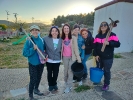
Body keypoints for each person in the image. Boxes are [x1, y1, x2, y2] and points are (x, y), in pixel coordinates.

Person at [93, 21, 120, 91]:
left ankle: (106, 84)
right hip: (99, 57)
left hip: (108, 57)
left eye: (105, 25)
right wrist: (96, 55)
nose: (103, 26)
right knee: (98, 69)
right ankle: (97, 80)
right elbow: (94, 46)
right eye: (101, 25)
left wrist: (109, 43)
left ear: (107, 26)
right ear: (100, 27)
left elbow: (118, 44)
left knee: (106, 71)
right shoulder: (97, 36)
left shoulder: (112, 35)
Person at [23, 25, 45, 100]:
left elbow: (43, 50)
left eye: (36, 30)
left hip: (41, 63)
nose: (35, 31)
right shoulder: (29, 41)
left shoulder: (41, 40)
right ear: (31, 32)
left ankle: (36, 89)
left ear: (39, 31)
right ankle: (30, 95)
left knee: (39, 77)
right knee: (33, 79)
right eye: (33, 30)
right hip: (33, 64)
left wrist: (45, 55)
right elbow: (24, 53)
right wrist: (33, 49)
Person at [61, 24, 81, 93]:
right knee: (65, 71)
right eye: (65, 28)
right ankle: (66, 83)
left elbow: (76, 49)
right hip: (65, 57)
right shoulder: (61, 38)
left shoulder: (73, 38)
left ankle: (69, 86)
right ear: (63, 30)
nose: (66, 30)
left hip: (72, 58)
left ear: (69, 30)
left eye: (67, 28)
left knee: (70, 71)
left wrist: (78, 58)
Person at [43, 26, 62, 93]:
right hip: (49, 60)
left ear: (58, 32)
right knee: (49, 73)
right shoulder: (46, 39)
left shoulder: (61, 40)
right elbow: (38, 40)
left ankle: (54, 84)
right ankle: (50, 85)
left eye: (56, 31)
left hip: (57, 59)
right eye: (53, 31)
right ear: (50, 32)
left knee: (56, 73)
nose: (54, 32)